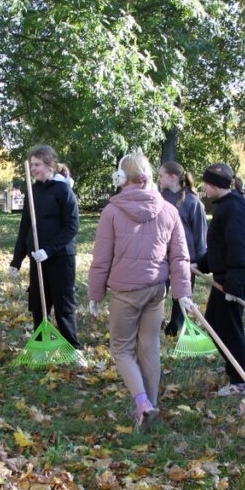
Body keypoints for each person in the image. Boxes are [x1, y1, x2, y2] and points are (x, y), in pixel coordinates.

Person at [89, 152, 194, 431]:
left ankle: (143, 403)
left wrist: (95, 295)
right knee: (150, 348)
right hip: (155, 290)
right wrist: (182, 292)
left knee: (122, 349)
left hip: (125, 292)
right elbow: (180, 257)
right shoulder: (169, 210)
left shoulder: (111, 211)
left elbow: (101, 258)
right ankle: (151, 405)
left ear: (121, 178)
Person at [196, 163, 245, 396]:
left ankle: (240, 380)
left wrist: (233, 284)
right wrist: (201, 264)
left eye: (206, 183)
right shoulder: (227, 206)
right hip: (227, 276)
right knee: (217, 322)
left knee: (225, 325)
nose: (204, 187)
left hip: (234, 277)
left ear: (214, 184)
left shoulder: (232, 209)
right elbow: (220, 247)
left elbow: (240, 248)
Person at [10, 145, 83, 352]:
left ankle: (74, 349)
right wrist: (17, 260)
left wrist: (49, 250)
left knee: (63, 305)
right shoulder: (33, 191)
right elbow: (25, 227)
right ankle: (41, 348)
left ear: (50, 165)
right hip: (37, 258)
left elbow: (72, 227)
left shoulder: (63, 190)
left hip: (60, 257)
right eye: (31, 165)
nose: (33, 169)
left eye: (37, 165)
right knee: (39, 305)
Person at [158, 161, 207, 335]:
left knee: (181, 293)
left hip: (186, 258)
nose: (158, 179)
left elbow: (200, 232)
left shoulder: (192, 201)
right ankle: (156, 321)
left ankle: (175, 325)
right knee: (159, 290)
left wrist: (199, 260)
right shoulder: (159, 199)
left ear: (173, 177)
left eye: (161, 175)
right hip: (162, 256)